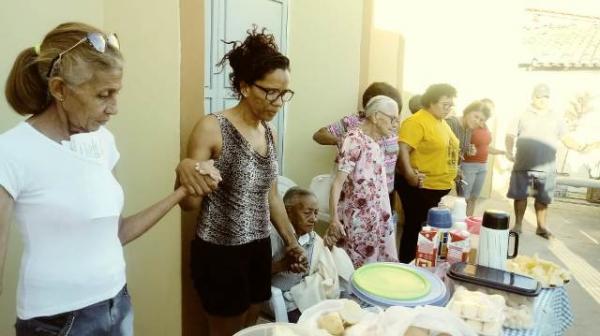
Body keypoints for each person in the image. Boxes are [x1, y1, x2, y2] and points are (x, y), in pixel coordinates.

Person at [0, 22, 188, 335]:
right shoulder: (11, 151)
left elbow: (116, 231)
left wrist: (181, 192)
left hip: (117, 303)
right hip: (57, 321)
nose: (114, 108)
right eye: (104, 95)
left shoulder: (103, 141)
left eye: (117, 92)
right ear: (59, 89)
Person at [175, 27, 307, 336]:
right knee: (225, 332)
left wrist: (291, 242)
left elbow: (271, 196)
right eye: (270, 91)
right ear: (245, 87)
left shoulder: (269, 133)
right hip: (220, 252)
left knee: (250, 326)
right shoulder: (212, 128)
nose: (277, 101)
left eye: (284, 93)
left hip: (258, 247)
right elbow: (189, 203)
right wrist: (185, 171)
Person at [326, 95, 400, 268]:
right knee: (357, 268)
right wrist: (334, 219)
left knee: (373, 267)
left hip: (373, 219)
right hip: (356, 221)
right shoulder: (353, 139)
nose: (395, 124)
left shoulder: (374, 142)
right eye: (392, 119)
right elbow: (337, 183)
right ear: (375, 117)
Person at [505, 84, 585, 239]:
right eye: (539, 97)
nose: (543, 100)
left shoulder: (556, 118)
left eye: (546, 97)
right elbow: (510, 135)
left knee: (543, 199)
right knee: (520, 196)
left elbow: (566, 138)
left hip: (547, 166)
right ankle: (518, 225)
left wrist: (580, 147)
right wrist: (508, 150)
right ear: (533, 97)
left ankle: (541, 228)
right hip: (523, 164)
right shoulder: (521, 115)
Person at [395, 83, 459, 263]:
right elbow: (403, 148)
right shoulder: (417, 121)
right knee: (416, 229)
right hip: (421, 187)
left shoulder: (441, 122)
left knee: (430, 231)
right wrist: (409, 175)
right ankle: (407, 265)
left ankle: (424, 264)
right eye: (444, 104)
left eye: (450, 105)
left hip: (439, 186)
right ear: (431, 102)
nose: (448, 108)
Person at [270, 187, 352, 322]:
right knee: (316, 325)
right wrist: (283, 265)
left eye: (316, 213)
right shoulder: (273, 237)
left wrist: (329, 247)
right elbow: (254, 273)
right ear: (288, 212)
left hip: (306, 290)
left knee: (343, 310)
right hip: (283, 298)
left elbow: (322, 261)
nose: (314, 219)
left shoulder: (310, 235)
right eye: (307, 213)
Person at [312, 82, 402, 196]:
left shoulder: (393, 125)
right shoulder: (354, 121)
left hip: (386, 192)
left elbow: (393, 157)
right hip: (360, 195)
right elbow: (319, 135)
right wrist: (345, 142)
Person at [459, 99, 506, 216]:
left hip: (482, 166)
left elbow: (486, 147)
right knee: (463, 198)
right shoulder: (471, 124)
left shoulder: (485, 126)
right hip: (468, 166)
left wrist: (502, 152)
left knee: (474, 197)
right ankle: (459, 222)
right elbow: (460, 144)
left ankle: (468, 221)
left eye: (490, 110)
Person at [446, 101, 490, 197]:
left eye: (481, 120)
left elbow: (458, 148)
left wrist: (468, 149)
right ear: (467, 111)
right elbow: (443, 150)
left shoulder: (469, 128)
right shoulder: (451, 123)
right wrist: (455, 168)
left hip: (451, 175)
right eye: (476, 116)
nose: (477, 121)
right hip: (439, 177)